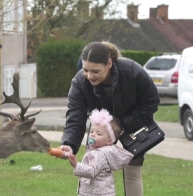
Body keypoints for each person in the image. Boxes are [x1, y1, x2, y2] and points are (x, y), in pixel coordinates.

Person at [60, 41, 160, 196]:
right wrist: (69, 143)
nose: (89, 76)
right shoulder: (80, 82)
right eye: (85, 70)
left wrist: (120, 125)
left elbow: (151, 102)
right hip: (99, 130)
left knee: (132, 173)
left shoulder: (133, 72)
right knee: (93, 171)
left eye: (95, 71)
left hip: (133, 125)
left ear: (109, 63)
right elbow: (75, 116)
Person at [65, 108, 134, 196]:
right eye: (92, 131)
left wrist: (76, 165)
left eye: (99, 133)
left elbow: (91, 171)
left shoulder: (100, 155)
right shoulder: (98, 151)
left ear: (109, 140)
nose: (93, 134)